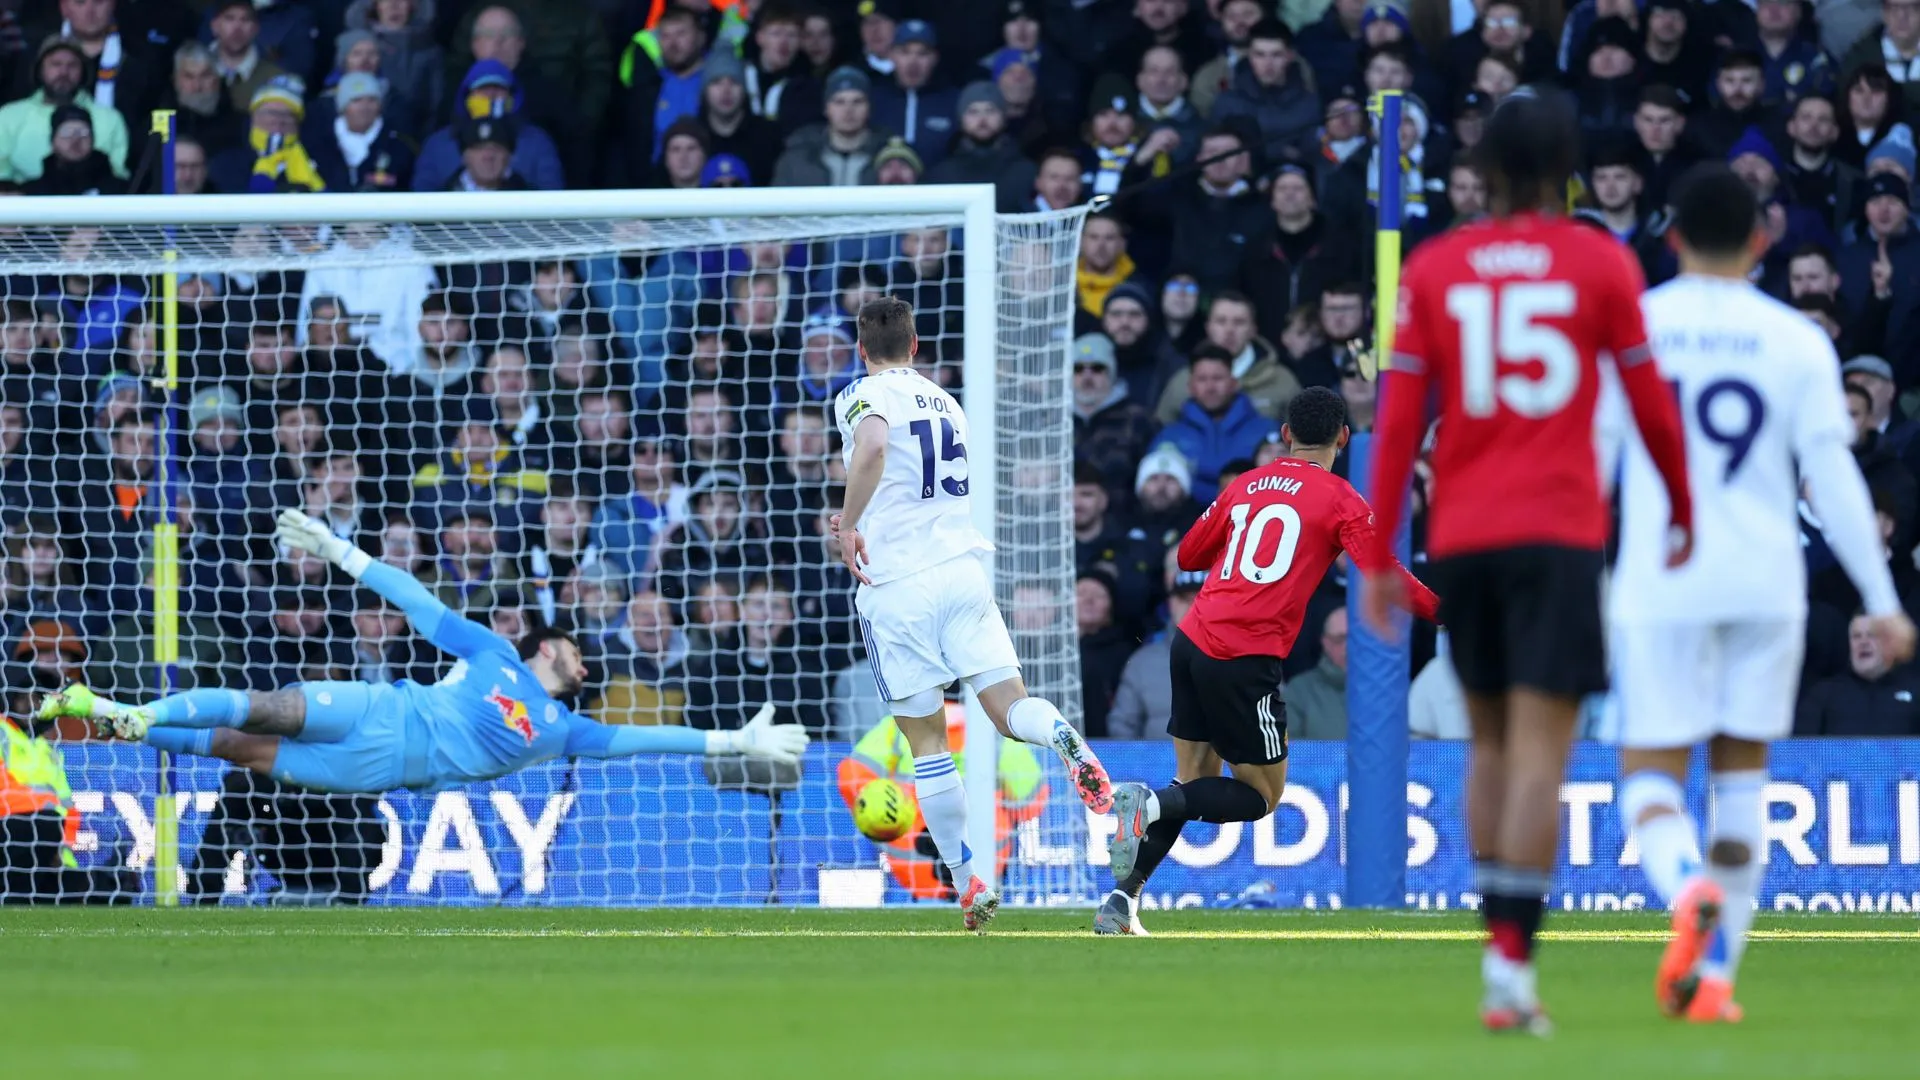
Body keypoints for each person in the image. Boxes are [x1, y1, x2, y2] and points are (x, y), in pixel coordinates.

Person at [1362, 87, 1695, 1034]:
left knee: (1490, 745)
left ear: (1487, 172)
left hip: (1463, 536)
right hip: (1558, 535)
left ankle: (1495, 960)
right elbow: (1650, 402)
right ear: (1566, 170)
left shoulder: (1436, 266)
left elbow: (1397, 424)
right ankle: (1512, 972)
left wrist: (1380, 549)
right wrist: (1677, 506)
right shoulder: (1601, 260)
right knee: (1541, 754)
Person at [1599, 162, 1916, 1024]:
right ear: (1761, 241)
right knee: (1742, 782)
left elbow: (1589, 466)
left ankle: (1682, 882)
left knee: (1650, 776)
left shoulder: (1635, 328)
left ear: (1669, 240)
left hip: (1664, 578)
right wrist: (1882, 598)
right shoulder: (1795, 340)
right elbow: (1833, 476)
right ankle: (1718, 982)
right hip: (1767, 582)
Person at [38, 508, 812, 793]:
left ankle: (119, 720)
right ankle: (125, 714)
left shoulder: (565, 730)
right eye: (579, 654)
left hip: (378, 772)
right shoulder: (493, 651)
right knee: (269, 706)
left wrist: (732, 738)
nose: (585, 666)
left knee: (237, 750)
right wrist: (344, 554)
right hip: (381, 709)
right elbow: (417, 601)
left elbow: (649, 739)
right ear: (552, 646)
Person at [1099, 387, 1438, 936]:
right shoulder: (1342, 500)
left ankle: (1122, 899)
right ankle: (1148, 803)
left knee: (1194, 780)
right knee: (1260, 796)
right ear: (1343, 439)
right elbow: (1382, 575)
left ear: (1285, 435)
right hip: (1243, 657)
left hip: (1190, 641)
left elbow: (1187, 556)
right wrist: (1443, 612)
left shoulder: (1246, 485)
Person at [829, 296, 1114, 933]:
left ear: (861, 350)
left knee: (926, 742)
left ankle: (965, 881)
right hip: (962, 569)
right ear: (917, 345)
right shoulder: (947, 401)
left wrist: (848, 526)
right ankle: (1063, 738)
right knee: (1010, 708)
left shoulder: (858, 393)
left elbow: (873, 447)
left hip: (897, 582)